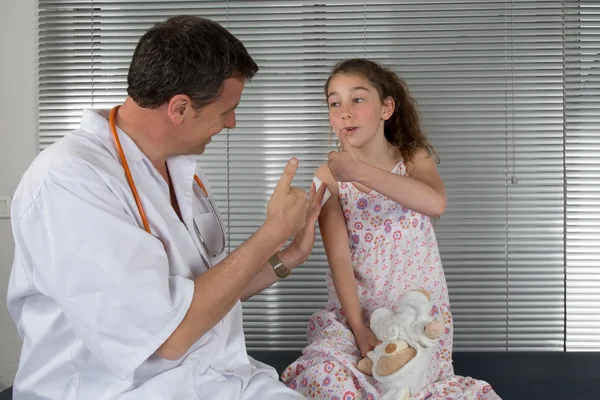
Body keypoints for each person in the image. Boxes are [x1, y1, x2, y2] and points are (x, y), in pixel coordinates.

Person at [7, 15, 326, 400]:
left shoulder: (179, 166)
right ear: (179, 108)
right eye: (226, 111)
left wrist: (287, 256)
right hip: (115, 390)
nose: (232, 123)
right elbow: (168, 336)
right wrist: (271, 231)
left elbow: (201, 294)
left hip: (213, 375)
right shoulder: (69, 181)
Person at [281, 58, 501, 399]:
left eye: (357, 99)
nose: (345, 112)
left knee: (406, 386)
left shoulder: (414, 159)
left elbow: (435, 203)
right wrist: (357, 327)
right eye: (334, 103)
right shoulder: (327, 178)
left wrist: (359, 171)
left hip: (417, 316)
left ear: (387, 108)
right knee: (325, 377)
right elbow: (339, 259)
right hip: (356, 312)